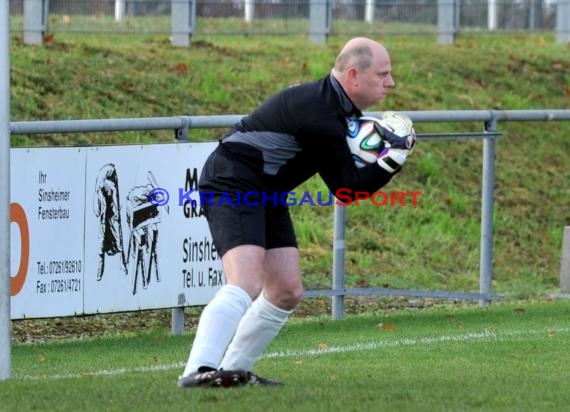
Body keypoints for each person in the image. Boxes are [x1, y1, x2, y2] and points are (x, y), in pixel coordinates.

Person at [178, 37, 415, 388]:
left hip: (266, 189)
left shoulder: (334, 106)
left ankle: (233, 371)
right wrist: (394, 158)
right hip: (233, 181)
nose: (390, 83)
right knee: (245, 282)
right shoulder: (322, 115)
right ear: (353, 76)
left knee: (286, 290)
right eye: (383, 74)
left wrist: (381, 153)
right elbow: (346, 189)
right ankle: (197, 371)